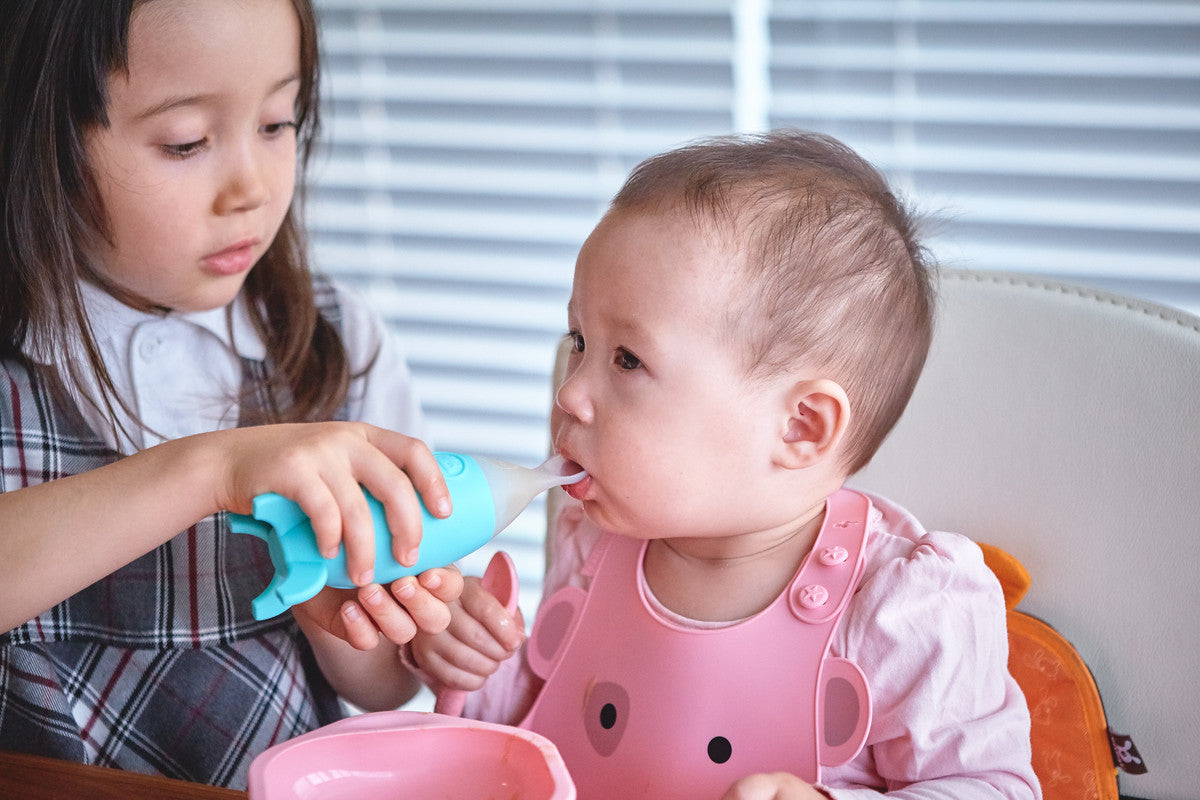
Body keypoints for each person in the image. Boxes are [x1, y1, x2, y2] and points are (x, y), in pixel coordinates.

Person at [409, 130, 1042, 799]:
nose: (569, 393)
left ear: (800, 427)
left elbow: (994, 789)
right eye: (579, 342)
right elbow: (542, 729)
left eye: (627, 359)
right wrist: (471, 660)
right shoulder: (596, 536)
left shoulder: (902, 610)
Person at [0, 0, 463, 789]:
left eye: (279, 122)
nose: (251, 187)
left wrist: (368, 623)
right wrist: (214, 470)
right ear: (43, 136)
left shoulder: (338, 345)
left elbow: (385, 686)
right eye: (186, 142)